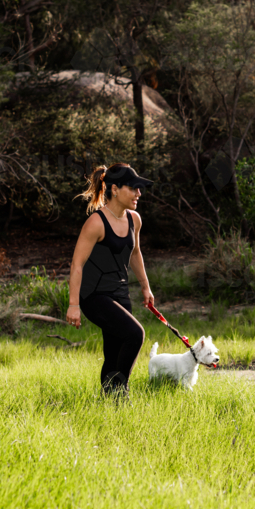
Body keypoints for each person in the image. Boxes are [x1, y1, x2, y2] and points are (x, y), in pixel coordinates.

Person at [67, 163, 155, 397]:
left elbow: (135, 253)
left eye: (140, 189)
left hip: (120, 293)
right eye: (133, 188)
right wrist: (73, 305)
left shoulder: (134, 220)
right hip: (93, 296)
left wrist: (145, 287)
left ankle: (110, 401)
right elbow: (77, 264)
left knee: (114, 352)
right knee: (135, 334)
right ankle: (121, 391)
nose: (139, 194)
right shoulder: (96, 222)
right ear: (115, 189)